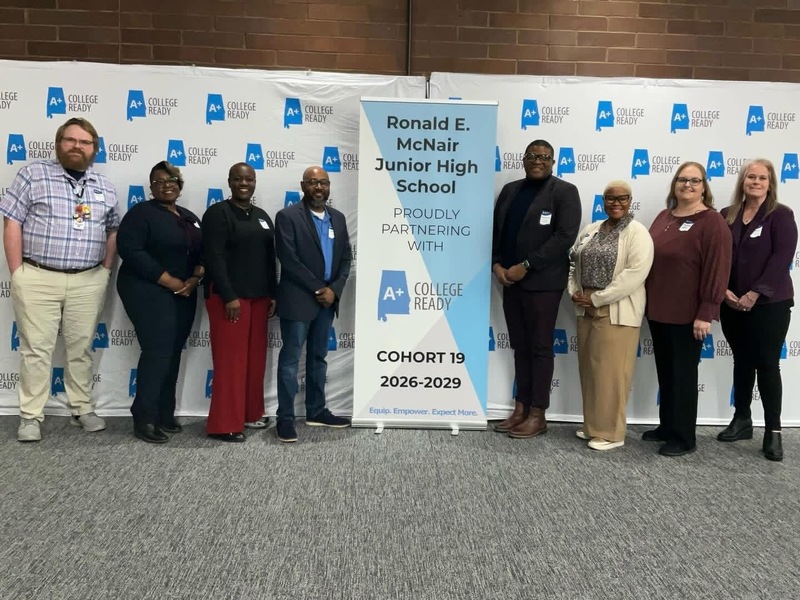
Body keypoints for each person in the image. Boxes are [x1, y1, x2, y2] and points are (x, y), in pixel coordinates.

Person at [1, 117, 118, 442]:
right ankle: (30, 416)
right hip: (37, 277)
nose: (77, 146)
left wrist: (105, 270)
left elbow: (113, 230)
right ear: (58, 144)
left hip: (88, 280)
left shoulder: (105, 186)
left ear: (94, 149)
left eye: (85, 142)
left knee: (81, 348)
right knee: (36, 350)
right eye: (70, 140)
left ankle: (81, 407)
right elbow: (12, 222)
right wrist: (17, 272)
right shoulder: (33, 174)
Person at [491, 139, 582, 439]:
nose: (537, 160)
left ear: (553, 162)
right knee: (520, 346)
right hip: (510, 282)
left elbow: (564, 237)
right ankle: (521, 407)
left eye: (544, 157)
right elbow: (497, 232)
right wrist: (497, 264)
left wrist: (527, 265)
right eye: (532, 155)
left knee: (540, 348)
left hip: (543, 284)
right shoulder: (510, 191)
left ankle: (537, 414)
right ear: (524, 159)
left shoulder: (565, 192)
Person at [644, 161, 732, 457]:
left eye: (695, 181)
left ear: (704, 187)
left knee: (682, 375)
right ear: (674, 184)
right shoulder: (664, 216)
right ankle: (667, 426)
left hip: (688, 314)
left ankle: (684, 437)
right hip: (658, 309)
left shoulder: (712, 222)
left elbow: (717, 269)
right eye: (682, 180)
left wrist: (707, 311)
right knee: (666, 371)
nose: (688, 185)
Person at [116, 161, 203, 444]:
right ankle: (144, 417)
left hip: (185, 291)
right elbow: (131, 251)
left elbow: (203, 252)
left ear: (180, 184)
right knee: (158, 350)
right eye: (159, 181)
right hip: (147, 289)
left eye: (172, 180)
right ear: (151, 187)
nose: (166, 185)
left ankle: (165, 412)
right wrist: (170, 281)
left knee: (174, 351)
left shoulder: (189, 216)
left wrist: (195, 277)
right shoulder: (141, 214)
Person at [717, 159, 797, 462]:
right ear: (742, 181)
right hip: (731, 302)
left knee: (766, 364)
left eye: (763, 178)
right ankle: (742, 419)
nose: (756, 182)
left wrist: (754, 293)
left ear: (770, 183)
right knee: (741, 360)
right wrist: (723, 289)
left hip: (769, 304)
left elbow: (781, 259)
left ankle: (773, 430)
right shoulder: (727, 215)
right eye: (751, 176)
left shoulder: (781, 215)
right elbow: (719, 256)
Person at [568, 180, 653, 451]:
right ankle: (593, 426)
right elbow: (573, 262)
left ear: (630, 201)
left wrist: (597, 298)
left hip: (617, 310)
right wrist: (574, 291)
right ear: (603, 202)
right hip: (585, 306)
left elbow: (633, 276)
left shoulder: (638, 233)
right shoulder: (591, 229)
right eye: (610, 198)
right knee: (590, 371)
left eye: (622, 198)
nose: (616, 203)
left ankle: (612, 433)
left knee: (611, 374)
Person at [274, 166, 352, 443]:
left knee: (318, 358)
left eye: (323, 182)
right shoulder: (287, 216)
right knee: (290, 360)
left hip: (327, 302)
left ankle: (316, 411)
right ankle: (285, 418)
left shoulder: (338, 218)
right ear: (303, 185)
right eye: (313, 182)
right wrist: (320, 288)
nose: (319, 187)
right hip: (299, 299)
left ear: (329, 186)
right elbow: (289, 259)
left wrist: (334, 290)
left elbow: (346, 258)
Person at [202, 163, 277, 443]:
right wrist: (228, 295)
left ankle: (250, 412)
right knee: (231, 362)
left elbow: (269, 259)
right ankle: (223, 424)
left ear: (254, 182)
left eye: (249, 179)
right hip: (229, 299)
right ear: (229, 182)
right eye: (238, 179)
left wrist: (272, 293)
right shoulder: (217, 214)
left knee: (255, 361)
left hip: (259, 298)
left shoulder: (262, 216)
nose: (244, 183)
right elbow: (214, 257)